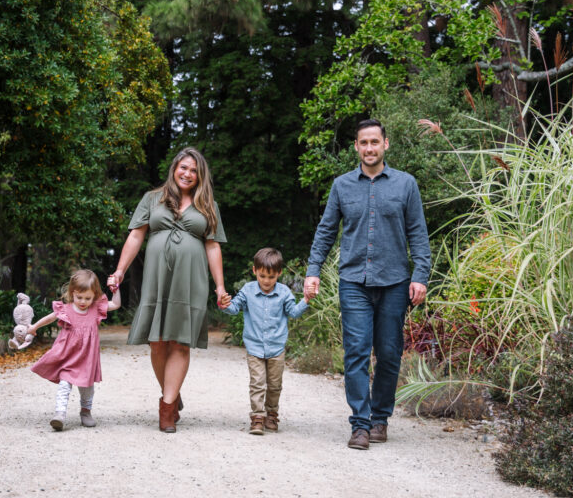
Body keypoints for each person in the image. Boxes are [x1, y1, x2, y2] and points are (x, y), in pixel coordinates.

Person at [303, 118, 430, 450]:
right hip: (354, 281)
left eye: (375, 142)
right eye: (364, 143)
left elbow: (418, 234)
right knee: (356, 352)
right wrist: (313, 269)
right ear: (356, 147)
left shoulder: (406, 185)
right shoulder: (342, 186)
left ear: (385, 144)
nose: (370, 148)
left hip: (394, 283)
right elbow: (326, 230)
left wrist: (420, 276)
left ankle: (380, 419)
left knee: (388, 354)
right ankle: (359, 424)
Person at [107, 147, 228, 433]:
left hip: (191, 278)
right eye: (183, 167)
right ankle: (173, 396)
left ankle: (166, 407)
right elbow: (136, 235)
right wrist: (120, 270)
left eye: (194, 170)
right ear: (174, 168)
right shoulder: (153, 198)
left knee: (180, 341)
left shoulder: (207, 204)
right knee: (158, 340)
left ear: (201, 176)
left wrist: (220, 286)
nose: (187, 174)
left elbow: (213, 246)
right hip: (157, 277)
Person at [220, 247, 309, 435]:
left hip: (277, 347)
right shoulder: (248, 290)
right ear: (254, 271)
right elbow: (234, 308)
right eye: (262, 276)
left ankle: (271, 414)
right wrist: (224, 305)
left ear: (279, 273)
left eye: (271, 277)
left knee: (275, 385)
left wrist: (306, 300)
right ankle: (257, 417)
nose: (266, 281)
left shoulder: (284, 292)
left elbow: (293, 312)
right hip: (254, 347)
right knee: (257, 383)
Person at [28, 269, 122, 431]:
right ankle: (59, 414)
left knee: (87, 388)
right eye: (79, 297)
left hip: (87, 358)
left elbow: (116, 304)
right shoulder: (66, 309)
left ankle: (86, 412)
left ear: (94, 295)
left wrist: (116, 289)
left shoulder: (95, 308)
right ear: (73, 293)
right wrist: (34, 327)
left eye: (88, 298)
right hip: (68, 356)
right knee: (65, 384)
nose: (83, 301)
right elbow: (50, 317)